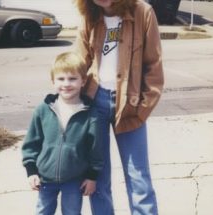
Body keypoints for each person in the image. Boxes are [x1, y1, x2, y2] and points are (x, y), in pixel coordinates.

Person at [74, 0, 164, 214]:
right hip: (95, 102)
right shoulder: (89, 16)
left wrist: (141, 110)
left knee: (138, 176)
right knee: (98, 176)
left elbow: (154, 67)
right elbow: (78, 62)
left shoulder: (143, 12)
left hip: (130, 105)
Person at [21, 52, 103, 215]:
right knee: (43, 211)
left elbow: (96, 149)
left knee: (72, 212)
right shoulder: (43, 110)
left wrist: (92, 177)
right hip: (45, 178)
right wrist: (31, 171)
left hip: (74, 179)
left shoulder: (90, 114)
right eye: (61, 79)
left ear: (83, 81)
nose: (66, 84)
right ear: (53, 81)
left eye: (72, 79)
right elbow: (31, 144)